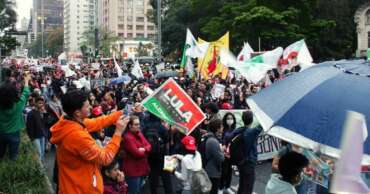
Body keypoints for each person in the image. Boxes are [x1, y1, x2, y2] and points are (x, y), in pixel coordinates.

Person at [50, 90, 129, 194]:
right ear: (77, 112)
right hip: (80, 189)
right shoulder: (77, 136)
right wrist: (118, 132)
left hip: (75, 185)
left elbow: (98, 122)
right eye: (87, 106)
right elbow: (105, 158)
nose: (90, 107)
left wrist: (123, 112)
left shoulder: (69, 121)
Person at [0, 73, 31, 160]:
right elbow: (26, 92)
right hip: (14, 134)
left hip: (1, 132)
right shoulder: (19, 104)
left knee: (1, 154)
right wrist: (26, 81)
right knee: (13, 156)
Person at [232, 110, 263, 194]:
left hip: (240, 161)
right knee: (248, 187)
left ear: (242, 119)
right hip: (248, 162)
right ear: (252, 120)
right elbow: (263, 124)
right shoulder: (251, 132)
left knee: (242, 184)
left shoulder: (238, 130)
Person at [143, 113, 174, 194]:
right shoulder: (162, 127)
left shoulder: (146, 127)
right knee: (167, 178)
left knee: (153, 177)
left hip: (151, 155)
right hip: (164, 155)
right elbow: (167, 141)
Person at [121, 115, 152, 194]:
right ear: (130, 126)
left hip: (141, 169)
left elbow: (149, 146)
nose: (139, 126)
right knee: (133, 192)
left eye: (139, 124)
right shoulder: (127, 137)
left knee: (138, 191)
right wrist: (145, 150)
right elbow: (137, 154)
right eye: (136, 124)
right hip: (133, 171)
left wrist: (144, 149)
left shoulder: (139, 133)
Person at [203, 119, 225, 194]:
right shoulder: (213, 141)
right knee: (213, 191)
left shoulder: (210, 138)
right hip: (213, 172)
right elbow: (221, 158)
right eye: (221, 126)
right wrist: (222, 151)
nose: (223, 128)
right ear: (217, 128)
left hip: (209, 169)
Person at [220, 113, 237, 194]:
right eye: (228, 118)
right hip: (224, 154)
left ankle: (227, 186)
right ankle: (220, 187)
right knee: (224, 171)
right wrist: (222, 145)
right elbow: (221, 139)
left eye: (231, 118)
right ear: (225, 120)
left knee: (229, 171)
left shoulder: (235, 130)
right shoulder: (223, 129)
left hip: (232, 154)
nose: (230, 120)